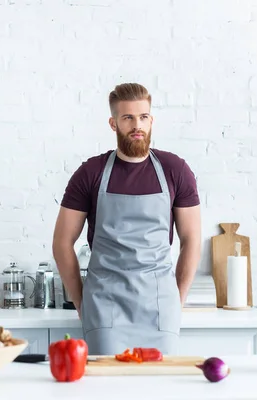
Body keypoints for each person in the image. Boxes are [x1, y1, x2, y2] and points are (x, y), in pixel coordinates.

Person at [52, 82, 201, 356]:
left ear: (151, 119)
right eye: (128, 118)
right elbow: (62, 242)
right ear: (113, 123)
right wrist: (82, 303)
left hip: (159, 307)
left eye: (143, 117)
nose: (137, 125)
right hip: (105, 306)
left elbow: (191, 240)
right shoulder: (90, 173)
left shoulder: (175, 170)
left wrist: (175, 300)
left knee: (159, 386)